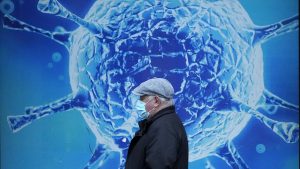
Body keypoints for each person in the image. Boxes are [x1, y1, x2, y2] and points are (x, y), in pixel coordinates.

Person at [125, 78, 189, 169]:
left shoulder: (165, 128)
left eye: (142, 100)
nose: (138, 105)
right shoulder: (162, 123)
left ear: (156, 101)